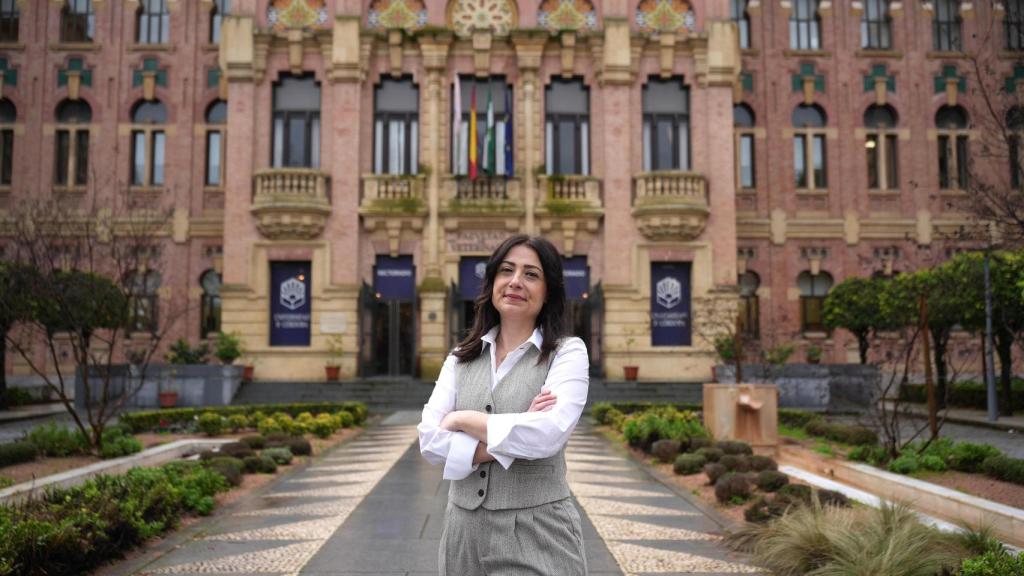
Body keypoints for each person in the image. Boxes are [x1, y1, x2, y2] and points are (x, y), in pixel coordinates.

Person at [418, 234, 590, 576]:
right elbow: (429, 440)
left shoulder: (568, 353)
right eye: (507, 270)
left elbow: (547, 435)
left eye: (531, 274)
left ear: (548, 291)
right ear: (492, 282)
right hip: (462, 535)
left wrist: (460, 418)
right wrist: (517, 429)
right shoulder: (459, 358)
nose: (515, 281)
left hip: (538, 531)